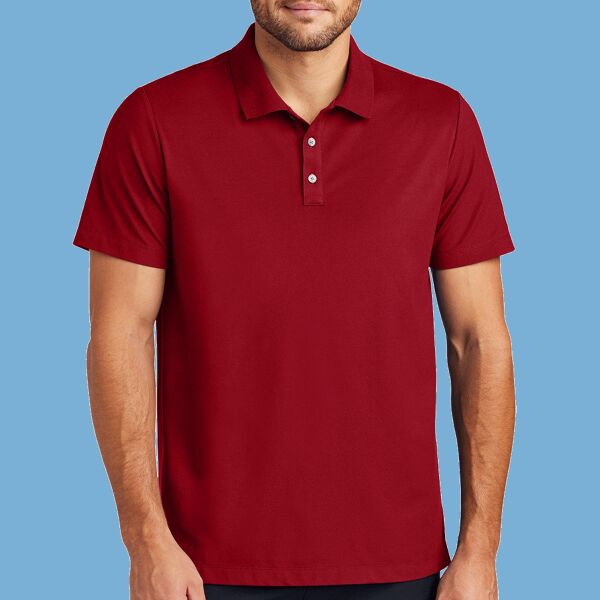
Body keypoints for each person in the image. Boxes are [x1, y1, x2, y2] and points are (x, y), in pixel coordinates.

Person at [72, 1, 517, 599]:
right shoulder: (153, 119)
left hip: (400, 562)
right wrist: (145, 539)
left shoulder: (442, 121)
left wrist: (480, 550)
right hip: (200, 569)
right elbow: (119, 335)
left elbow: (478, 341)